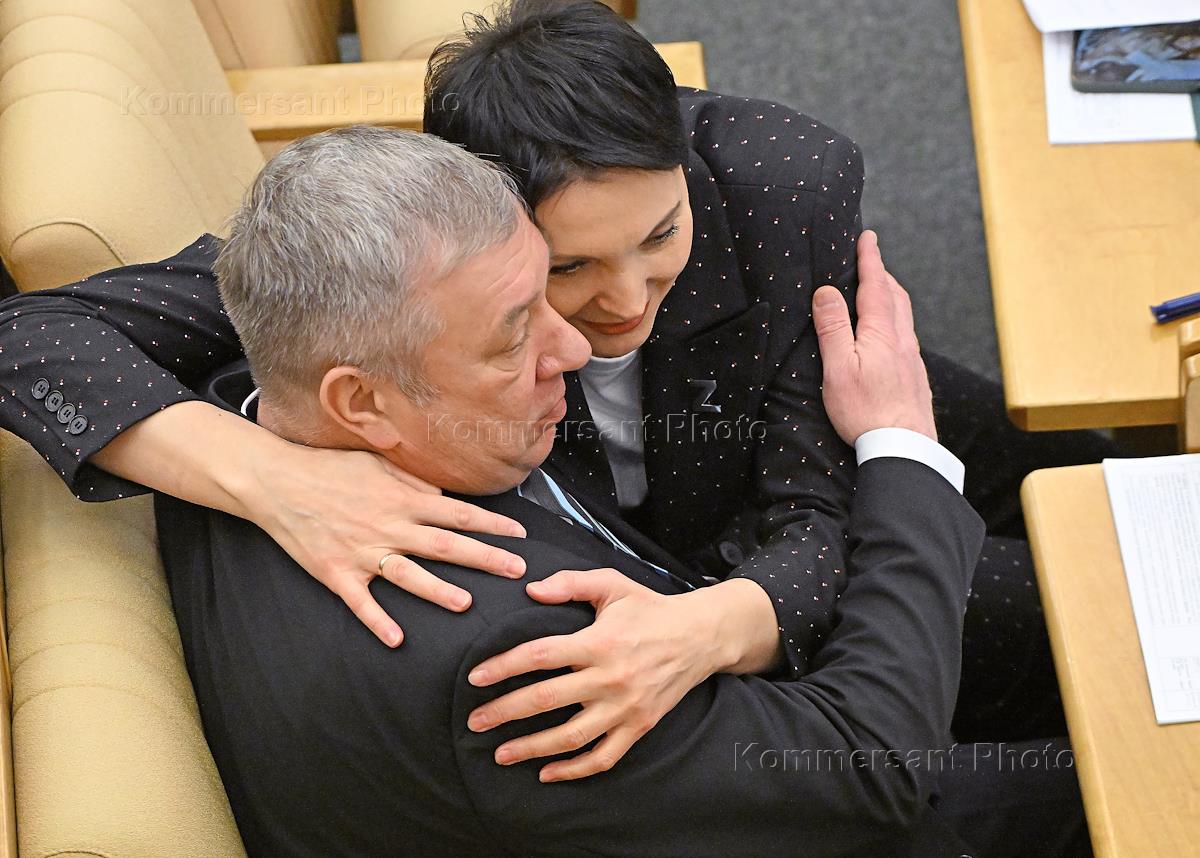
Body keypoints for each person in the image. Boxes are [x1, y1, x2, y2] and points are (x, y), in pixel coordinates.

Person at [160, 124, 984, 857]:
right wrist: (903, 450)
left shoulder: (239, 393)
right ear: (362, 402)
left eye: (544, 290)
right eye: (514, 336)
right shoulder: (510, 658)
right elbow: (873, 770)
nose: (575, 350)